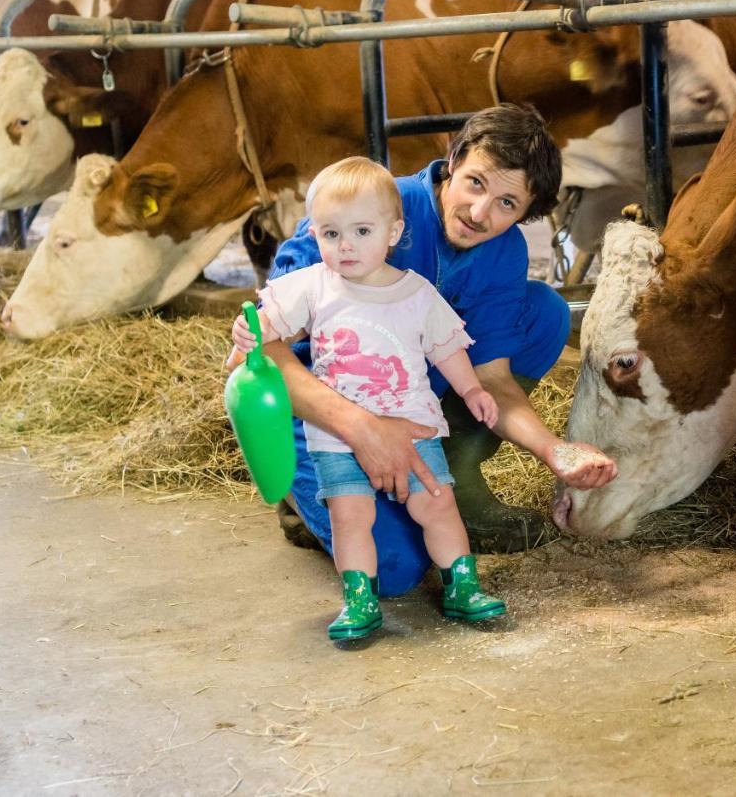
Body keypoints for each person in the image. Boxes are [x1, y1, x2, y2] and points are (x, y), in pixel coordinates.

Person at [241, 104, 617, 597]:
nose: (480, 214)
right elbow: (265, 349)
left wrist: (553, 449)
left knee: (544, 312)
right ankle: (301, 493)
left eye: (508, 204)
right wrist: (365, 430)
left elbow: (493, 380)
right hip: (322, 404)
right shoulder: (368, 205)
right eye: (476, 183)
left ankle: (455, 475)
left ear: (526, 214)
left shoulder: (503, 252)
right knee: (396, 569)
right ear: (453, 159)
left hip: (406, 397)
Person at [232, 156, 510, 640]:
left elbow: (446, 347)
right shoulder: (312, 285)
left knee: (438, 505)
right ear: (313, 234)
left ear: (394, 231)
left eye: (362, 231)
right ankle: (359, 599)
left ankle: (462, 587)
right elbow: (265, 332)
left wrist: (470, 389)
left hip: (413, 425)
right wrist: (247, 333)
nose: (345, 246)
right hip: (337, 439)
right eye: (330, 233)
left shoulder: (416, 293)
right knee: (350, 516)